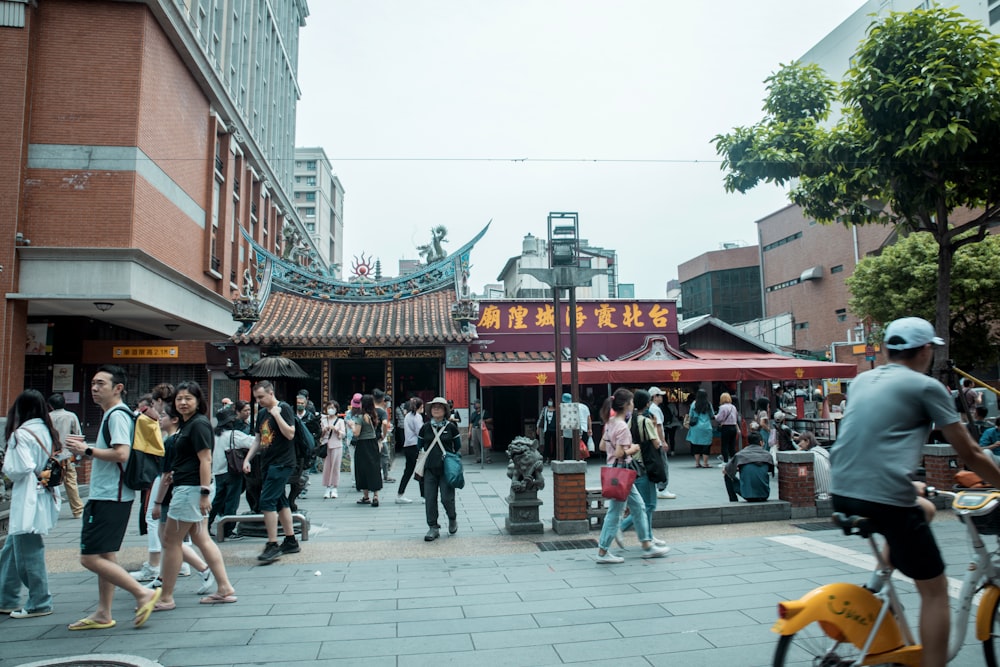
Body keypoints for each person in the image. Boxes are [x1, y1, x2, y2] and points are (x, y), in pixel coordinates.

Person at [832, 317, 1000, 667]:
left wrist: (910, 482)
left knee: (923, 507)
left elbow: (870, 441)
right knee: (935, 590)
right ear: (925, 350)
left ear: (888, 349)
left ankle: (878, 584)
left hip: (843, 490)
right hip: (885, 498)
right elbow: (969, 452)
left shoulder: (861, 380)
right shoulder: (926, 387)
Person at [63, 364, 162, 630]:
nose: (94, 389)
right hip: (113, 494)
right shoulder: (117, 414)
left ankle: (143, 593)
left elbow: (121, 454)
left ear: (118, 388)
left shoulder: (116, 415)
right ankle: (103, 613)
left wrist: (87, 450)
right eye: (93, 383)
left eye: (101, 384)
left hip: (110, 495)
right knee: (105, 555)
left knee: (89, 557)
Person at [155, 381, 237, 609]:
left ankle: (166, 597)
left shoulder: (198, 425)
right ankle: (224, 588)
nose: (182, 402)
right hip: (188, 486)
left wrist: (204, 492)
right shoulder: (188, 424)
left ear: (198, 401)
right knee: (201, 538)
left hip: (190, 490)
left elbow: (205, 459)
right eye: (179, 398)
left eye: (188, 398)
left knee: (171, 541)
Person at [0, 390, 63, 618]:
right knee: (12, 549)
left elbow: (19, 469)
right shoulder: (46, 430)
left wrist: (6, 466)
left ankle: (40, 601)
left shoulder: (21, 434)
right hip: (43, 493)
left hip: (27, 496)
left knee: (29, 551)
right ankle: (5, 597)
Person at [594, 388, 671, 564]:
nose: (633, 404)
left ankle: (646, 544)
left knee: (638, 507)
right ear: (627, 404)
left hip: (616, 472)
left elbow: (603, 447)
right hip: (622, 472)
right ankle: (604, 551)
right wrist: (633, 449)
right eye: (631, 401)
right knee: (617, 512)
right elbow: (621, 453)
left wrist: (618, 450)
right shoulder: (621, 426)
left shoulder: (610, 422)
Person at [242, 380, 300, 563]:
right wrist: (247, 459)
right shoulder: (260, 414)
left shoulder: (283, 409)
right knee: (281, 500)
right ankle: (290, 540)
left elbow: (290, 433)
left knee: (266, 500)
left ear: (271, 393)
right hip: (267, 463)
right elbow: (258, 440)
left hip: (282, 463)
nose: (259, 401)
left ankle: (272, 543)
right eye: (256, 398)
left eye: (261, 397)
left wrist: (277, 416)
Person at [616, 390, 669, 548]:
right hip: (646, 466)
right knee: (648, 505)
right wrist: (658, 437)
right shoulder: (645, 421)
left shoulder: (630, 420)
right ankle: (622, 527)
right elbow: (656, 443)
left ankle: (649, 536)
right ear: (647, 403)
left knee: (645, 504)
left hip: (634, 465)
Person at [418, 397, 462, 541]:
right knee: (430, 499)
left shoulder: (451, 428)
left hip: (446, 469)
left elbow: (458, 445)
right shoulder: (425, 428)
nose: (436, 409)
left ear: (445, 411)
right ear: (430, 411)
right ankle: (433, 527)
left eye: (440, 407)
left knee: (446, 498)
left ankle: (452, 517)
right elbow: (420, 446)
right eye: (434, 407)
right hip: (429, 468)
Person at [209, 407, 253, 537]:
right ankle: (228, 530)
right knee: (231, 501)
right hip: (232, 471)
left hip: (217, 472)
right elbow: (252, 442)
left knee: (217, 500)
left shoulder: (214, 435)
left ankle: (207, 524)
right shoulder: (233, 435)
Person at [47, 392, 83, 518]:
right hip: (66, 454)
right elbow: (78, 434)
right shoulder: (71, 416)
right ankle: (77, 510)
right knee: (71, 482)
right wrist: (78, 454)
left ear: (50, 405)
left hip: (50, 455)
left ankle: (49, 510)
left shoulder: (47, 417)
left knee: (48, 482)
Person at [350, 394, 384, 506]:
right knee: (374, 468)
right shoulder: (373, 415)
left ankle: (366, 496)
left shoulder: (360, 417)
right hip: (373, 443)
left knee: (362, 469)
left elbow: (356, 433)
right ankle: (375, 495)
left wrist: (351, 426)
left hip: (363, 444)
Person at [723, 432, 773, 502]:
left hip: (747, 494)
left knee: (727, 475)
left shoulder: (740, 455)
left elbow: (726, 470)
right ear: (761, 442)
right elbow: (769, 470)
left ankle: (733, 500)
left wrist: (738, 468)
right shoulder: (768, 455)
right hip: (764, 494)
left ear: (748, 442)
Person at [647, 387, 676, 499]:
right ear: (655, 397)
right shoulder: (655, 409)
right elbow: (658, 425)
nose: (662, 397)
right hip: (658, 441)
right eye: (659, 395)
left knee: (658, 464)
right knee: (663, 465)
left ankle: (659, 487)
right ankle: (662, 488)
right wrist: (663, 441)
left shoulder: (652, 408)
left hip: (654, 440)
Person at [397, 397, 424, 503]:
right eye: (422, 406)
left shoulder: (408, 415)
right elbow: (420, 432)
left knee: (408, 471)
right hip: (415, 446)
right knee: (421, 470)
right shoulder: (417, 417)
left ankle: (400, 494)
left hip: (408, 445)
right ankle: (424, 496)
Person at [319, 400, 346, 499]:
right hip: (326, 445)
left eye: (333, 408)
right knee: (326, 467)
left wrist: (335, 429)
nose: (330, 410)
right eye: (329, 407)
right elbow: (319, 434)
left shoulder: (340, 421)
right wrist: (324, 430)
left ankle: (334, 487)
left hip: (337, 445)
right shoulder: (323, 420)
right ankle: (327, 487)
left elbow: (343, 434)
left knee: (335, 467)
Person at [797, 431, 831, 499]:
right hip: (831, 492)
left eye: (800, 441)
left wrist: (798, 452)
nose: (799, 444)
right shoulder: (824, 451)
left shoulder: (809, 455)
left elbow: (801, 475)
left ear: (807, 441)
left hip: (819, 494)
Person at [686, 389, 715, 469]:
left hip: (696, 427)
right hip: (706, 427)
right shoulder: (708, 404)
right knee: (706, 445)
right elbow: (712, 415)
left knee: (696, 445)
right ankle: (705, 463)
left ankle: (697, 463)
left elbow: (690, 415)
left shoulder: (693, 404)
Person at [715, 392, 740, 463]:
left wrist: (715, 416)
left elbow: (719, 418)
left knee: (725, 445)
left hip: (726, 427)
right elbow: (735, 417)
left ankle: (725, 461)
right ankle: (734, 461)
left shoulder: (722, 407)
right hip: (733, 427)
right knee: (732, 445)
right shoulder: (733, 407)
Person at [469, 399, 491, 464]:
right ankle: (478, 458)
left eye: (476, 404)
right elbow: (471, 423)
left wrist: (484, 421)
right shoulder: (473, 413)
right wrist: (469, 431)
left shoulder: (484, 412)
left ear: (479, 404)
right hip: (474, 429)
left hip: (481, 429)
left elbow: (490, 419)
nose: (475, 405)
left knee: (484, 444)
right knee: (475, 445)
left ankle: (488, 458)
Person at [536, 398, 556, 463]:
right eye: (549, 401)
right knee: (547, 443)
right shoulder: (545, 409)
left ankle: (554, 457)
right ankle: (547, 457)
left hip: (555, 429)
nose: (550, 402)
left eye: (551, 401)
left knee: (555, 443)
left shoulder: (557, 409)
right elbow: (541, 418)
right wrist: (538, 427)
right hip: (547, 429)